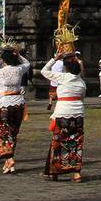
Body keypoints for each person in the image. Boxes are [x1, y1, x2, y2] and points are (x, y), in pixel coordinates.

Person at [42, 52, 86, 182]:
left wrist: (54, 59)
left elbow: (44, 71)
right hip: (78, 114)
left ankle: (55, 170)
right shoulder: (82, 83)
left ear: (66, 68)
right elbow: (82, 98)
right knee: (76, 143)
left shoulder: (62, 77)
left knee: (58, 142)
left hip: (63, 113)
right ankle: (76, 172)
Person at [0, 43, 32, 174]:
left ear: (3, 59)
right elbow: (28, 63)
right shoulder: (19, 69)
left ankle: (10, 158)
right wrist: (17, 54)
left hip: (4, 104)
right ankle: (8, 164)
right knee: (13, 133)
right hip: (18, 104)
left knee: (3, 134)